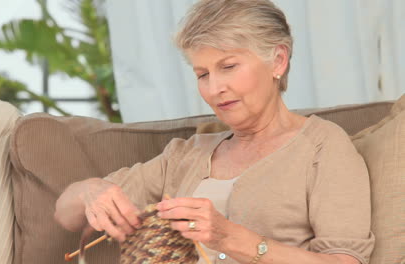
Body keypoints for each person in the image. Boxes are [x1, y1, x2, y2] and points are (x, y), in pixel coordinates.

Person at [54, 0, 375, 263]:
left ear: (278, 60)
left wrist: (233, 238)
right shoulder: (187, 154)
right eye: (202, 73)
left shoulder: (322, 147)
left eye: (228, 66)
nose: (215, 88)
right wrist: (91, 192)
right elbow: (66, 215)